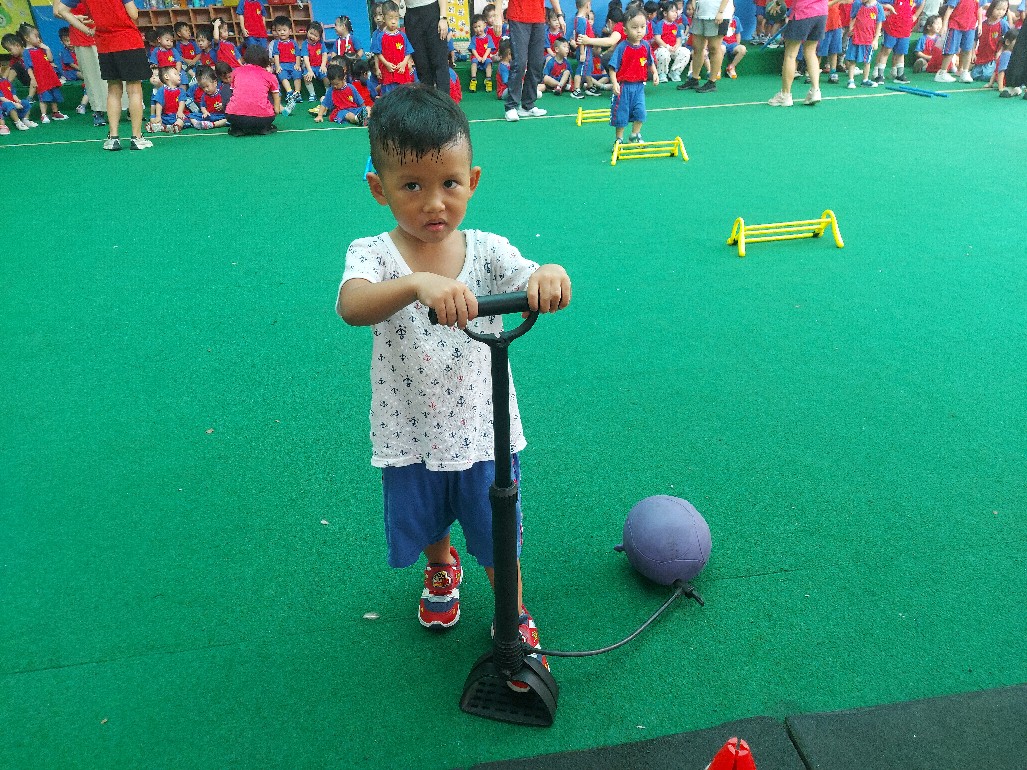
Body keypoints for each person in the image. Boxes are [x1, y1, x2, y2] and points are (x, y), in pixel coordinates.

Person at [337, 85, 571, 688]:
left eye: (449, 183)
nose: (433, 203)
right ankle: (441, 567)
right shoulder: (374, 255)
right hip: (410, 429)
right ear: (379, 189)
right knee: (428, 517)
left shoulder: (487, 250)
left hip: (483, 429)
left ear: (473, 180)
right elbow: (353, 305)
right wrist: (418, 285)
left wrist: (547, 274)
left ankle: (511, 613)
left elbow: (529, 275)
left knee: (497, 528)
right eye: (411, 186)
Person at [54, 0, 153, 150]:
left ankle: (113, 138)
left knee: (113, 90)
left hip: (105, 44)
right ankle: (137, 138)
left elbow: (61, 10)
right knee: (134, 90)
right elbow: (134, 14)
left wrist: (87, 30)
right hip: (128, 40)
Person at [504, 0, 567, 121]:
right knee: (520, 62)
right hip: (518, 16)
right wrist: (497, 14)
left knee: (537, 62)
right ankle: (511, 106)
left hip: (538, 18)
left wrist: (559, 15)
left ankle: (527, 105)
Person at [609, 7, 658, 147]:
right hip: (624, 87)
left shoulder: (646, 46)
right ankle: (619, 138)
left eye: (642, 27)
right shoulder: (622, 47)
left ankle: (634, 135)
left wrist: (655, 73)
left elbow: (650, 62)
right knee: (621, 114)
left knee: (640, 112)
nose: (639, 31)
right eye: (635, 27)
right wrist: (615, 83)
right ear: (625, 31)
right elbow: (612, 67)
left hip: (639, 87)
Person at [767, 0, 828, 105]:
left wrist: (777, 3)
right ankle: (815, 91)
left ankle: (785, 95)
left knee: (790, 55)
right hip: (821, 13)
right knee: (811, 52)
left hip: (802, 12)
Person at [224, 41, 281, 136]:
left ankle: (237, 128)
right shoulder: (269, 76)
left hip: (234, 116)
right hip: (263, 118)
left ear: (246, 57)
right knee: (268, 92)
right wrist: (276, 111)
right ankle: (263, 128)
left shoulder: (236, 72)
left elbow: (232, 92)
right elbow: (276, 94)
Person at [19, 24, 69, 123]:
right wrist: (33, 79)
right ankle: (43, 115)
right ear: (27, 38)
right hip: (40, 78)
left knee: (54, 95)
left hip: (50, 77)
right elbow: (29, 67)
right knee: (43, 97)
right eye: (36, 36)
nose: (38, 39)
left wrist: (47, 48)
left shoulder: (41, 49)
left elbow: (50, 59)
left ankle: (55, 113)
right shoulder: (27, 52)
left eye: (38, 36)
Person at [683, 0, 733, 92]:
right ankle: (694, 79)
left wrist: (720, 12)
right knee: (697, 47)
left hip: (718, 15)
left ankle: (712, 81)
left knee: (714, 48)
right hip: (699, 14)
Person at [371, 1, 415, 95]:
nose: (393, 21)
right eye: (390, 18)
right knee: (389, 95)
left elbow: (408, 52)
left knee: (404, 95)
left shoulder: (402, 35)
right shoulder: (380, 36)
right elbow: (378, 53)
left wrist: (404, 63)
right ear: (384, 18)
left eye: (396, 18)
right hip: (388, 73)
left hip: (402, 72)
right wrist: (385, 64)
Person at [872, 0, 923, 82]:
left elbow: (920, 2)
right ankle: (879, 75)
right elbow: (875, 2)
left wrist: (915, 15)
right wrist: (885, 8)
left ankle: (900, 75)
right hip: (892, 27)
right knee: (886, 51)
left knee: (901, 52)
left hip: (905, 29)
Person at [935, 0, 981, 82]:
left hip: (970, 26)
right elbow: (950, 9)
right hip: (955, 25)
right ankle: (942, 72)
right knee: (951, 49)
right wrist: (944, 24)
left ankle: (965, 72)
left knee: (968, 49)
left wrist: (980, 24)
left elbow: (978, 9)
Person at [844, 0, 885, 88]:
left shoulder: (878, 7)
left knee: (867, 61)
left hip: (868, 40)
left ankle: (865, 80)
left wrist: (875, 40)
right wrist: (850, 29)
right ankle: (851, 80)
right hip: (856, 38)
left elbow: (879, 25)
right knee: (852, 60)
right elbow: (852, 18)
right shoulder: (857, 4)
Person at [652, 0, 691, 82]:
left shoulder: (676, 25)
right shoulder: (660, 24)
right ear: (665, 13)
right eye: (672, 11)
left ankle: (675, 72)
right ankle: (662, 74)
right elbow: (657, 38)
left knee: (686, 52)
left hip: (673, 48)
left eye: (676, 12)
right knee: (664, 53)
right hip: (661, 48)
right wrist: (667, 46)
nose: (675, 14)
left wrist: (677, 45)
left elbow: (678, 38)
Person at [972, 0, 1010, 81]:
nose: (1000, 12)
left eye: (1003, 10)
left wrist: (1000, 52)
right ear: (992, 8)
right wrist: (973, 53)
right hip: (981, 55)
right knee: (974, 75)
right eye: (998, 9)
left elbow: (1007, 40)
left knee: (986, 76)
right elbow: (975, 39)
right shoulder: (983, 25)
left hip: (994, 57)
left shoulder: (1003, 24)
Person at [270, 16, 303, 104]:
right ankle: (289, 92)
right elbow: (276, 55)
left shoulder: (293, 42)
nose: (282, 32)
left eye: (284, 30)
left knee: (297, 73)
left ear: (290, 31)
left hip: (293, 64)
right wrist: (277, 66)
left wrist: (297, 64)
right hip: (282, 65)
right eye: (279, 30)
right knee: (282, 75)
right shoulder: (276, 43)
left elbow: (297, 54)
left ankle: (297, 93)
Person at [149, 66, 185, 132]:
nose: (179, 76)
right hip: (165, 116)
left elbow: (182, 102)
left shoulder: (181, 91)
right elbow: (159, 104)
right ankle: (161, 127)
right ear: (166, 76)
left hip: (176, 115)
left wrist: (180, 111)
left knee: (181, 120)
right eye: (175, 74)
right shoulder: (161, 90)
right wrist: (158, 116)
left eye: (179, 74)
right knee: (158, 121)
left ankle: (174, 127)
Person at [301, 21, 329, 101]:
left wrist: (323, 65)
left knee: (326, 75)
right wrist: (309, 70)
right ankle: (312, 94)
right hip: (310, 66)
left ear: (319, 38)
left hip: (320, 65)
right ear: (307, 32)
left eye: (316, 35)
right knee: (306, 76)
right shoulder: (305, 44)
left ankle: (328, 92)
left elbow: (324, 54)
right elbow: (305, 57)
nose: (312, 37)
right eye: (311, 33)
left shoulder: (321, 43)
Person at [469, 14, 496, 91]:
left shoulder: (488, 37)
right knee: (474, 62)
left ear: (484, 25)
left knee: (489, 63)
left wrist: (484, 57)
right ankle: (473, 80)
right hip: (476, 56)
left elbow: (489, 48)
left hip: (485, 56)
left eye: (479, 26)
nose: (478, 29)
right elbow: (473, 49)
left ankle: (488, 80)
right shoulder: (474, 38)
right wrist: (478, 57)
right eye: (475, 27)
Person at [994, 28, 1021, 93]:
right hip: (1007, 82)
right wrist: (1001, 87)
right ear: (1007, 42)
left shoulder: (1013, 54)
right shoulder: (1006, 54)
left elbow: (995, 71)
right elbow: (1001, 71)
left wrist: (990, 83)